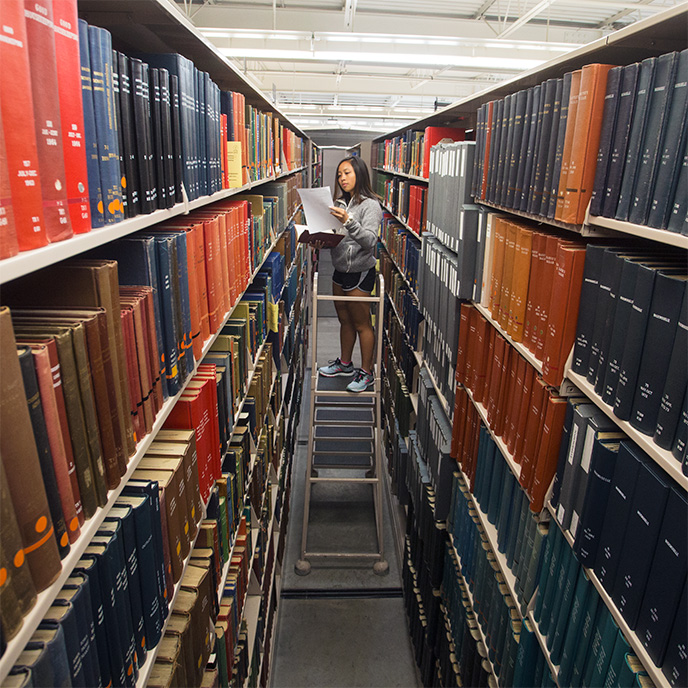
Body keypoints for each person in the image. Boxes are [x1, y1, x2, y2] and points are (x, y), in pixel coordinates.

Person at [318, 156, 383, 393]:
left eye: (347, 173)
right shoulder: (339, 203)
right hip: (339, 270)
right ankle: (345, 364)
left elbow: (369, 240)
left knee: (362, 324)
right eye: (339, 175)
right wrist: (321, 240)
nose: (342, 178)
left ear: (359, 174)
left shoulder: (370, 205)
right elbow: (337, 238)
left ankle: (366, 373)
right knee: (344, 319)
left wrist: (349, 221)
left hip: (359, 271)